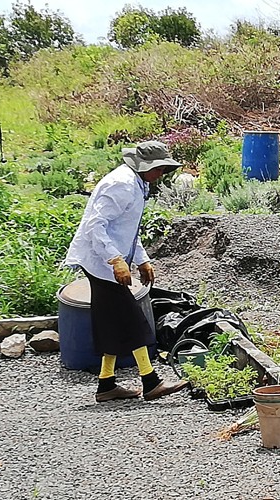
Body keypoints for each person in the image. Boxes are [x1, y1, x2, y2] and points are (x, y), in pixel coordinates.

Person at [64, 141, 189, 403]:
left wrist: (142, 260)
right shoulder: (120, 185)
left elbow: (127, 231)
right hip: (100, 262)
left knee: (112, 322)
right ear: (144, 166)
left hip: (107, 261)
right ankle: (151, 381)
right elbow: (95, 226)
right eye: (159, 169)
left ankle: (106, 385)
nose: (161, 175)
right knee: (132, 320)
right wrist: (115, 260)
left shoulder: (137, 183)